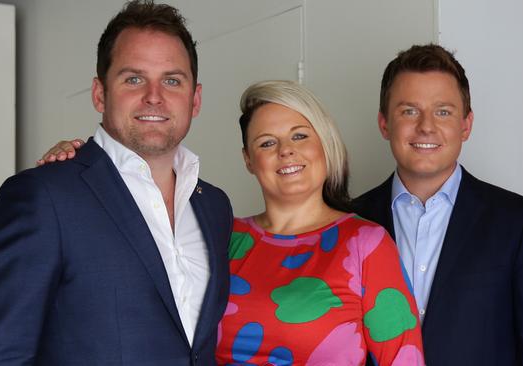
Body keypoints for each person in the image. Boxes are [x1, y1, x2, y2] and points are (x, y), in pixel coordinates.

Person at [35, 80, 426, 365]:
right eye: (266, 142)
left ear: (325, 144)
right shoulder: (220, 233)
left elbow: (403, 359)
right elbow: (127, 272)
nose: (285, 150)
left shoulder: (365, 243)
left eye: (300, 135)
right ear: (248, 159)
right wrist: (87, 166)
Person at [0, 1, 232, 365]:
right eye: (134, 79)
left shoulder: (214, 206)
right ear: (100, 94)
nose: (154, 96)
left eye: (172, 80)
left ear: (196, 99)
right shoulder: (44, 196)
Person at [351, 44, 523, 365]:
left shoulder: (519, 223)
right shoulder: (349, 221)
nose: (426, 126)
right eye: (409, 111)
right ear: (384, 123)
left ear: (466, 125)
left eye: (443, 111)